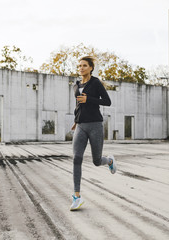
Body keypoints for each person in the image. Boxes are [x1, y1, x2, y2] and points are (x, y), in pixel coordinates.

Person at [70, 56, 117, 211]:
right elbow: (78, 106)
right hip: (81, 125)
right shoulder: (75, 86)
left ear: (91, 68)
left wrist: (89, 99)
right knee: (77, 158)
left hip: (95, 125)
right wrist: (76, 121)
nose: (81, 68)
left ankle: (109, 161)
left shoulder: (95, 83)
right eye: (79, 66)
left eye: (84, 65)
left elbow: (107, 102)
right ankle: (77, 196)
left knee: (97, 161)